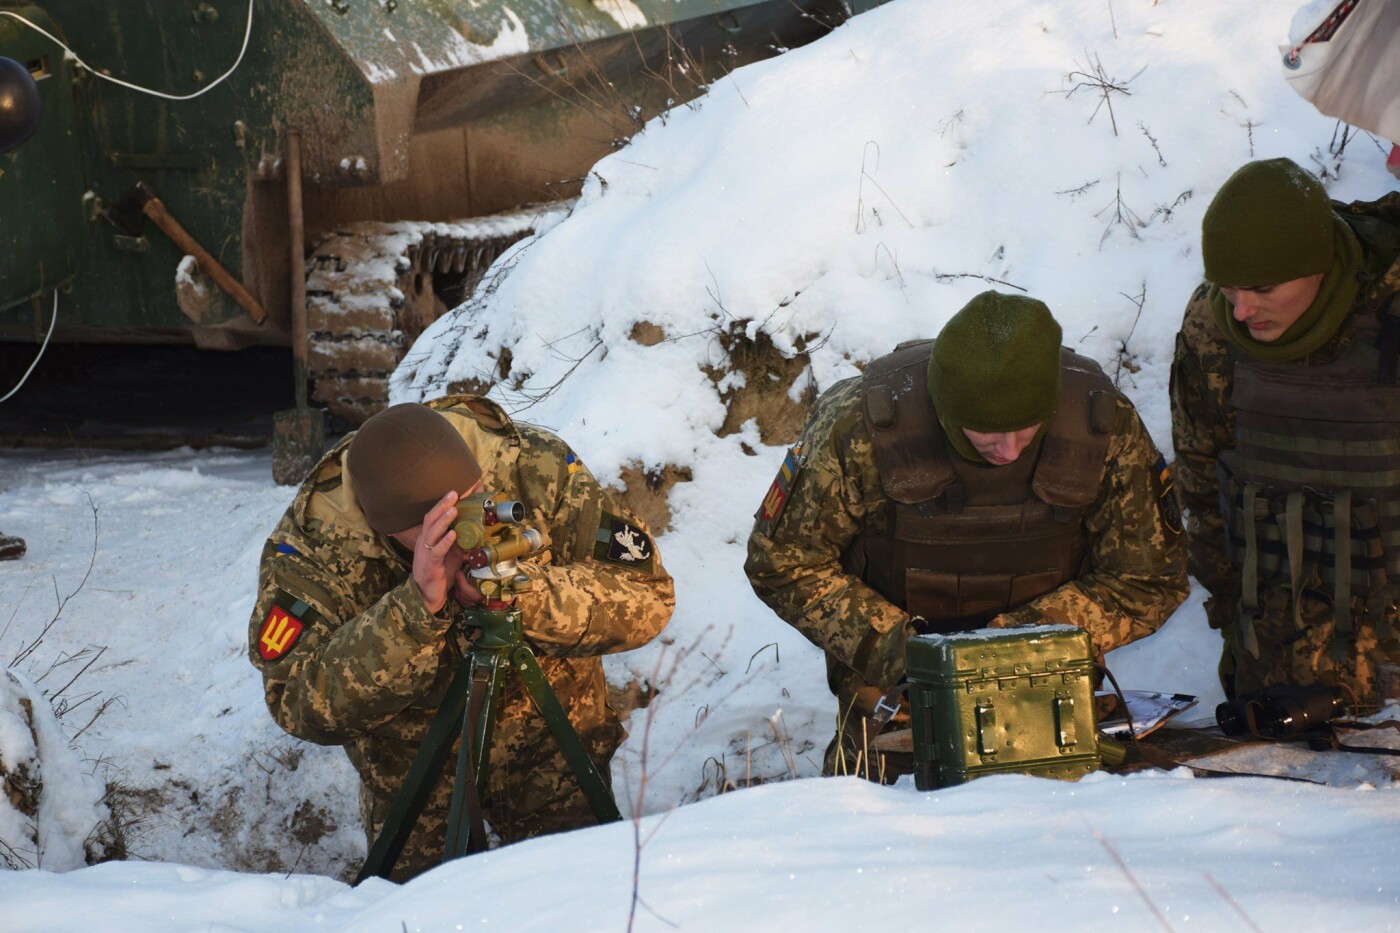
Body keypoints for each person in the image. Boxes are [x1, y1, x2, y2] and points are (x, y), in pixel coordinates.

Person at [746, 291, 1188, 780]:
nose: (1008, 451)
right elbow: (782, 563)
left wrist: (1007, 648)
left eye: (1026, 430)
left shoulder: (1101, 425)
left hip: (1045, 693)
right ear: (946, 409)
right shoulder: (858, 425)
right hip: (894, 704)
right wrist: (908, 654)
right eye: (985, 432)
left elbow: (1149, 579)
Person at [249, 396, 674, 880]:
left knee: (579, 899)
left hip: (552, 757)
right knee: (416, 914)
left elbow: (648, 598)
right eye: (442, 523)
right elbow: (299, 701)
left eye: (476, 495)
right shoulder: (316, 545)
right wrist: (414, 611)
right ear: (387, 527)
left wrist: (526, 594)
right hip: (416, 777)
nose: (479, 519)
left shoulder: (533, 468)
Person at [1171, 157, 1400, 705]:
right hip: (1288, 654)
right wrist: (1235, 618)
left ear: (1318, 265)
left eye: (1263, 288)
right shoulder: (1213, 326)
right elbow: (1202, 484)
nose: (1243, 310)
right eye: (1228, 289)